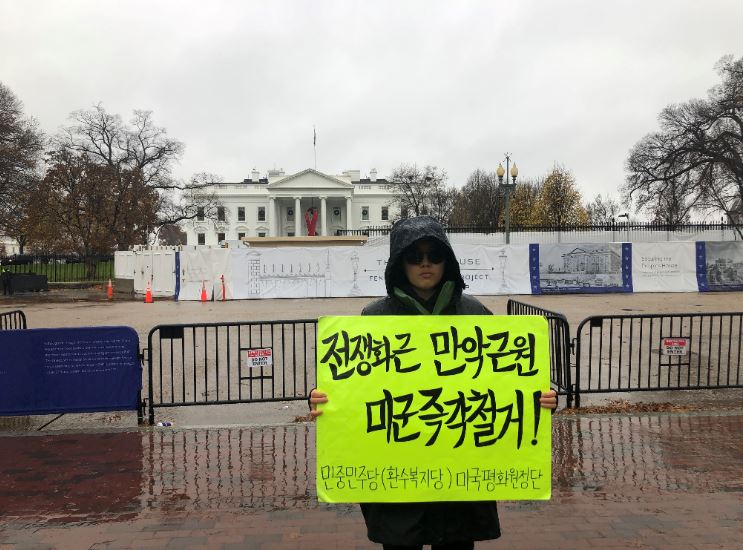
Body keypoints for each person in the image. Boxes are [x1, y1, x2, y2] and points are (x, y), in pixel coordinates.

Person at [310, 215, 558, 550]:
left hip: (458, 486)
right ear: (400, 262)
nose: (425, 264)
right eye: (415, 256)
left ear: (447, 260)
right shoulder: (374, 317)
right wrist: (322, 399)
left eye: (434, 255)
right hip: (398, 484)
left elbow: (503, 383)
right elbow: (352, 384)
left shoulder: (474, 313)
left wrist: (540, 399)